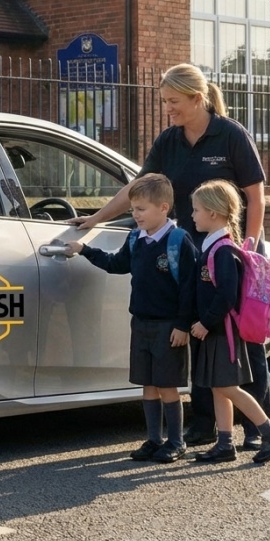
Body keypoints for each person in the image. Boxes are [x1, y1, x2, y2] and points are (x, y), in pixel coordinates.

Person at [71, 63, 270, 449]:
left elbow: (255, 197)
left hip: (231, 254)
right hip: (193, 257)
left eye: (173, 101)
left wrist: (248, 248)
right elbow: (138, 188)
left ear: (197, 99)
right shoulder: (169, 140)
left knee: (241, 341)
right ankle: (206, 425)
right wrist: (95, 218)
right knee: (198, 336)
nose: (168, 109)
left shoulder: (230, 135)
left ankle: (255, 427)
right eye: (164, 101)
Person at [65, 174, 198, 463]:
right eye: (133, 209)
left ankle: (176, 442)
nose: (135, 215)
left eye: (141, 209)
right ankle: (153, 439)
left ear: (163, 208)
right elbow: (117, 264)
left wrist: (182, 325)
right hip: (141, 323)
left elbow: (189, 288)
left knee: (166, 385)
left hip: (168, 326)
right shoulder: (136, 238)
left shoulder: (178, 241)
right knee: (147, 384)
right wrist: (86, 251)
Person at [188, 179, 270, 464]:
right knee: (219, 387)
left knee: (228, 388)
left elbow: (226, 296)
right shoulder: (214, 247)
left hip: (223, 332)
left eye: (196, 210)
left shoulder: (222, 251)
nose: (192, 215)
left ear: (214, 214)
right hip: (216, 332)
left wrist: (205, 322)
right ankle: (225, 443)